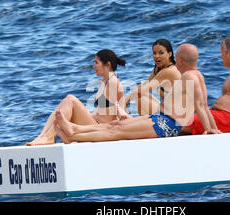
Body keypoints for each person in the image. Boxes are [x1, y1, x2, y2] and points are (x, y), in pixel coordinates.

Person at [53, 43, 218, 143]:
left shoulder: (189, 76)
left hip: (165, 125)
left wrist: (211, 130)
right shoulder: (198, 76)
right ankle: (74, 129)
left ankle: (73, 136)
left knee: (116, 131)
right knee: (117, 124)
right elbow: (203, 105)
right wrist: (214, 128)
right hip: (160, 119)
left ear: (180, 60)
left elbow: (200, 106)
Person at [26, 49, 128, 146]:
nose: (93, 66)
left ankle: (47, 137)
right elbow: (102, 112)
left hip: (101, 129)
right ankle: (43, 136)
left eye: (96, 63)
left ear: (108, 64)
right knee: (63, 108)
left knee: (70, 99)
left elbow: (119, 110)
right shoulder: (105, 83)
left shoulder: (113, 82)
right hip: (95, 124)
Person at [125, 39, 182, 116]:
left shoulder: (169, 71)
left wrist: (124, 103)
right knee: (142, 94)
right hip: (170, 111)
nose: (157, 56)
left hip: (178, 118)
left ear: (169, 54)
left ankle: (145, 125)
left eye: (161, 53)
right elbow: (142, 86)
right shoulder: (159, 69)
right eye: (154, 53)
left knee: (140, 96)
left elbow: (139, 92)